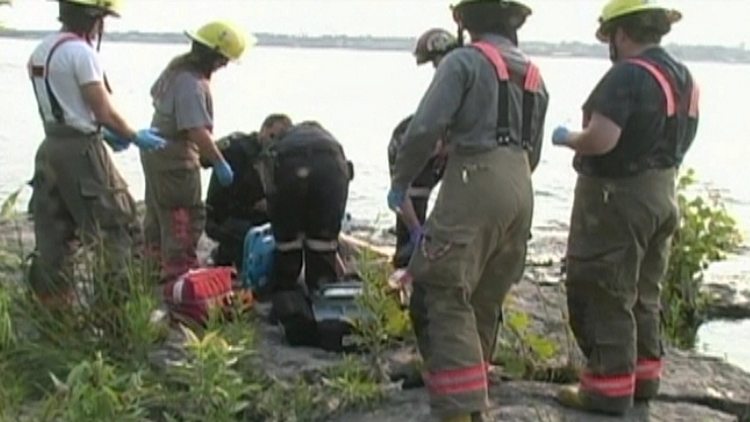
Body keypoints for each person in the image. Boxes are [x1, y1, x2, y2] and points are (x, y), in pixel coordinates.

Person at [387, 0, 549, 420]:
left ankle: (459, 412)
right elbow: (535, 150)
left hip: (475, 175)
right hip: (522, 185)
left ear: (465, 23)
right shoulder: (533, 75)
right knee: (485, 295)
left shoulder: (463, 62)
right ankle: (476, 405)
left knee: (441, 290)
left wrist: (401, 181)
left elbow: (424, 128)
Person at [550, 0, 699, 415]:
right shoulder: (682, 76)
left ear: (621, 32)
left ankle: (607, 388)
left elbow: (602, 139)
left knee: (604, 288)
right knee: (644, 292)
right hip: (664, 193)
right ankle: (644, 376)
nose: (609, 45)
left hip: (619, 197)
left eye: (609, 36)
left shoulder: (626, 76)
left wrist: (567, 138)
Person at [26, 0, 167, 308]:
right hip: (81, 151)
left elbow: (62, 105)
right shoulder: (81, 52)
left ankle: (54, 314)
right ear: (95, 19)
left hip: (50, 145)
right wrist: (131, 135)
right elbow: (100, 107)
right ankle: (116, 315)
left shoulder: (41, 49)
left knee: (55, 234)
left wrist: (102, 130)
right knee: (115, 228)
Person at [141, 20, 251, 283]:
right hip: (175, 160)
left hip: (157, 154)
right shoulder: (191, 83)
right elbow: (196, 130)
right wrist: (219, 161)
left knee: (158, 216)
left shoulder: (176, 70)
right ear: (212, 55)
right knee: (184, 217)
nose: (224, 65)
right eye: (223, 59)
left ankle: (153, 273)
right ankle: (179, 278)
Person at [387, 28, 455, 269]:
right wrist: (416, 230)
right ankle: (406, 265)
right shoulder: (407, 142)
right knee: (410, 224)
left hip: (445, 154)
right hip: (411, 165)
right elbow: (400, 194)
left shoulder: (457, 134)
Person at [265, 121, 353, 295]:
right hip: (330, 167)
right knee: (322, 244)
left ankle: (287, 292)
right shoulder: (329, 139)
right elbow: (347, 174)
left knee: (288, 244)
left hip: (288, 165)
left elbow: (268, 182)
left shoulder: (284, 141)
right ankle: (322, 291)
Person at [204, 113, 293, 271]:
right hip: (222, 215)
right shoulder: (238, 147)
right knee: (250, 238)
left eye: (279, 140)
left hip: (249, 213)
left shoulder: (274, 158)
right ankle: (224, 255)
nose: (274, 143)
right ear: (263, 130)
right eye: (272, 136)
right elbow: (204, 158)